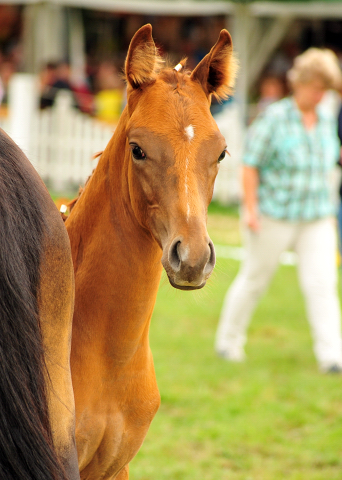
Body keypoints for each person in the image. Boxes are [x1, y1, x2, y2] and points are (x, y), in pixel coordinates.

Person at [215, 48, 342, 373]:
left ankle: (332, 357)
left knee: (322, 284)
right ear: (298, 83)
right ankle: (228, 343)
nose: (318, 94)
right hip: (274, 216)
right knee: (255, 278)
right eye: (315, 86)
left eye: (323, 89)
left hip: (316, 216)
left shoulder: (327, 117)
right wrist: (251, 209)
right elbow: (251, 165)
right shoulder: (274, 118)